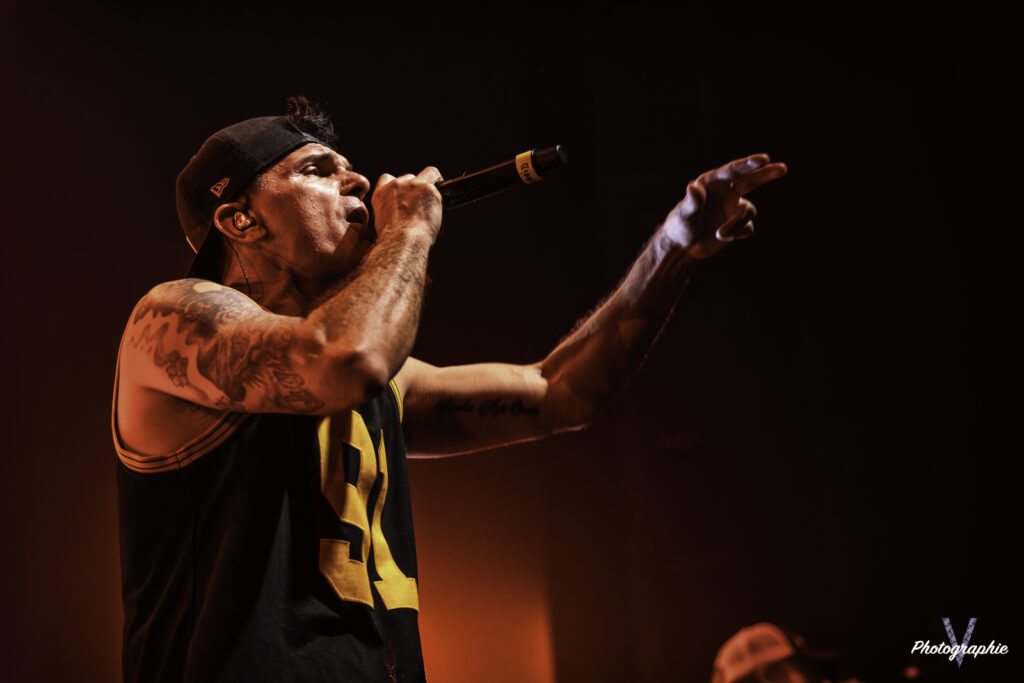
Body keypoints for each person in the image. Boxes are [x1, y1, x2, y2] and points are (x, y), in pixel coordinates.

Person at [111, 96, 787, 683]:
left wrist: (674, 246)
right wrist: (409, 229)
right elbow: (346, 360)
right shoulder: (172, 319)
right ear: (241, 220)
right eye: (317, 169)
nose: (359, 179)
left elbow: (561, 391)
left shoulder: (380, 376)